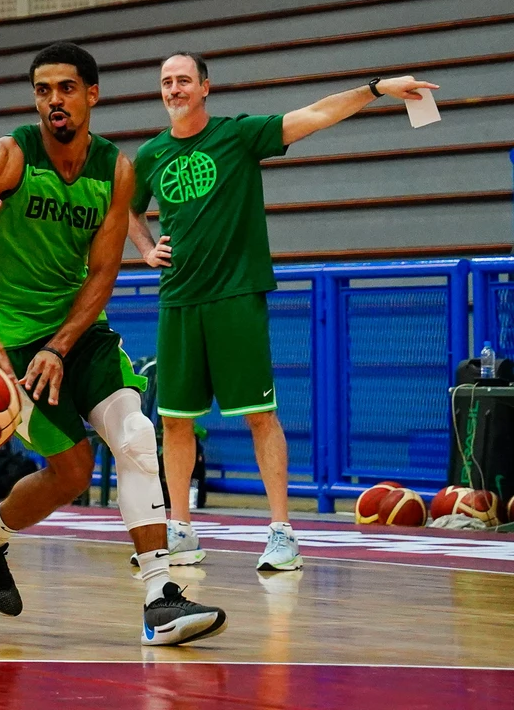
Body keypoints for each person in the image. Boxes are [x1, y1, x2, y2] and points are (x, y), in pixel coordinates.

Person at [0, 42, 227, 646]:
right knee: (71, 473)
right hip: (7, 343)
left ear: (93, 94)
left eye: (66, 88)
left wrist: (62, 345)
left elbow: (101, 273)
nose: (54, 100)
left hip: (77, 331)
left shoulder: (115, 170)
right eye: (43, 90)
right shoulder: (7, 157)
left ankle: (160, 596)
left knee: (138, 437)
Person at [129, 51, 438, 570]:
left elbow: (315, 115)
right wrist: (143, 247)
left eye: (184, 80)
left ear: (206, 87)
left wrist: (377, 87)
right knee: (174, 422)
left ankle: (281, 532)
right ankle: (180, 529)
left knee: (259, 415)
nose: (174, 89)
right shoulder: (151, 155)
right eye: (166, 82)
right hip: (178, 299)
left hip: (236, 296)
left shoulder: (240, 135)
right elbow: (128, 209)